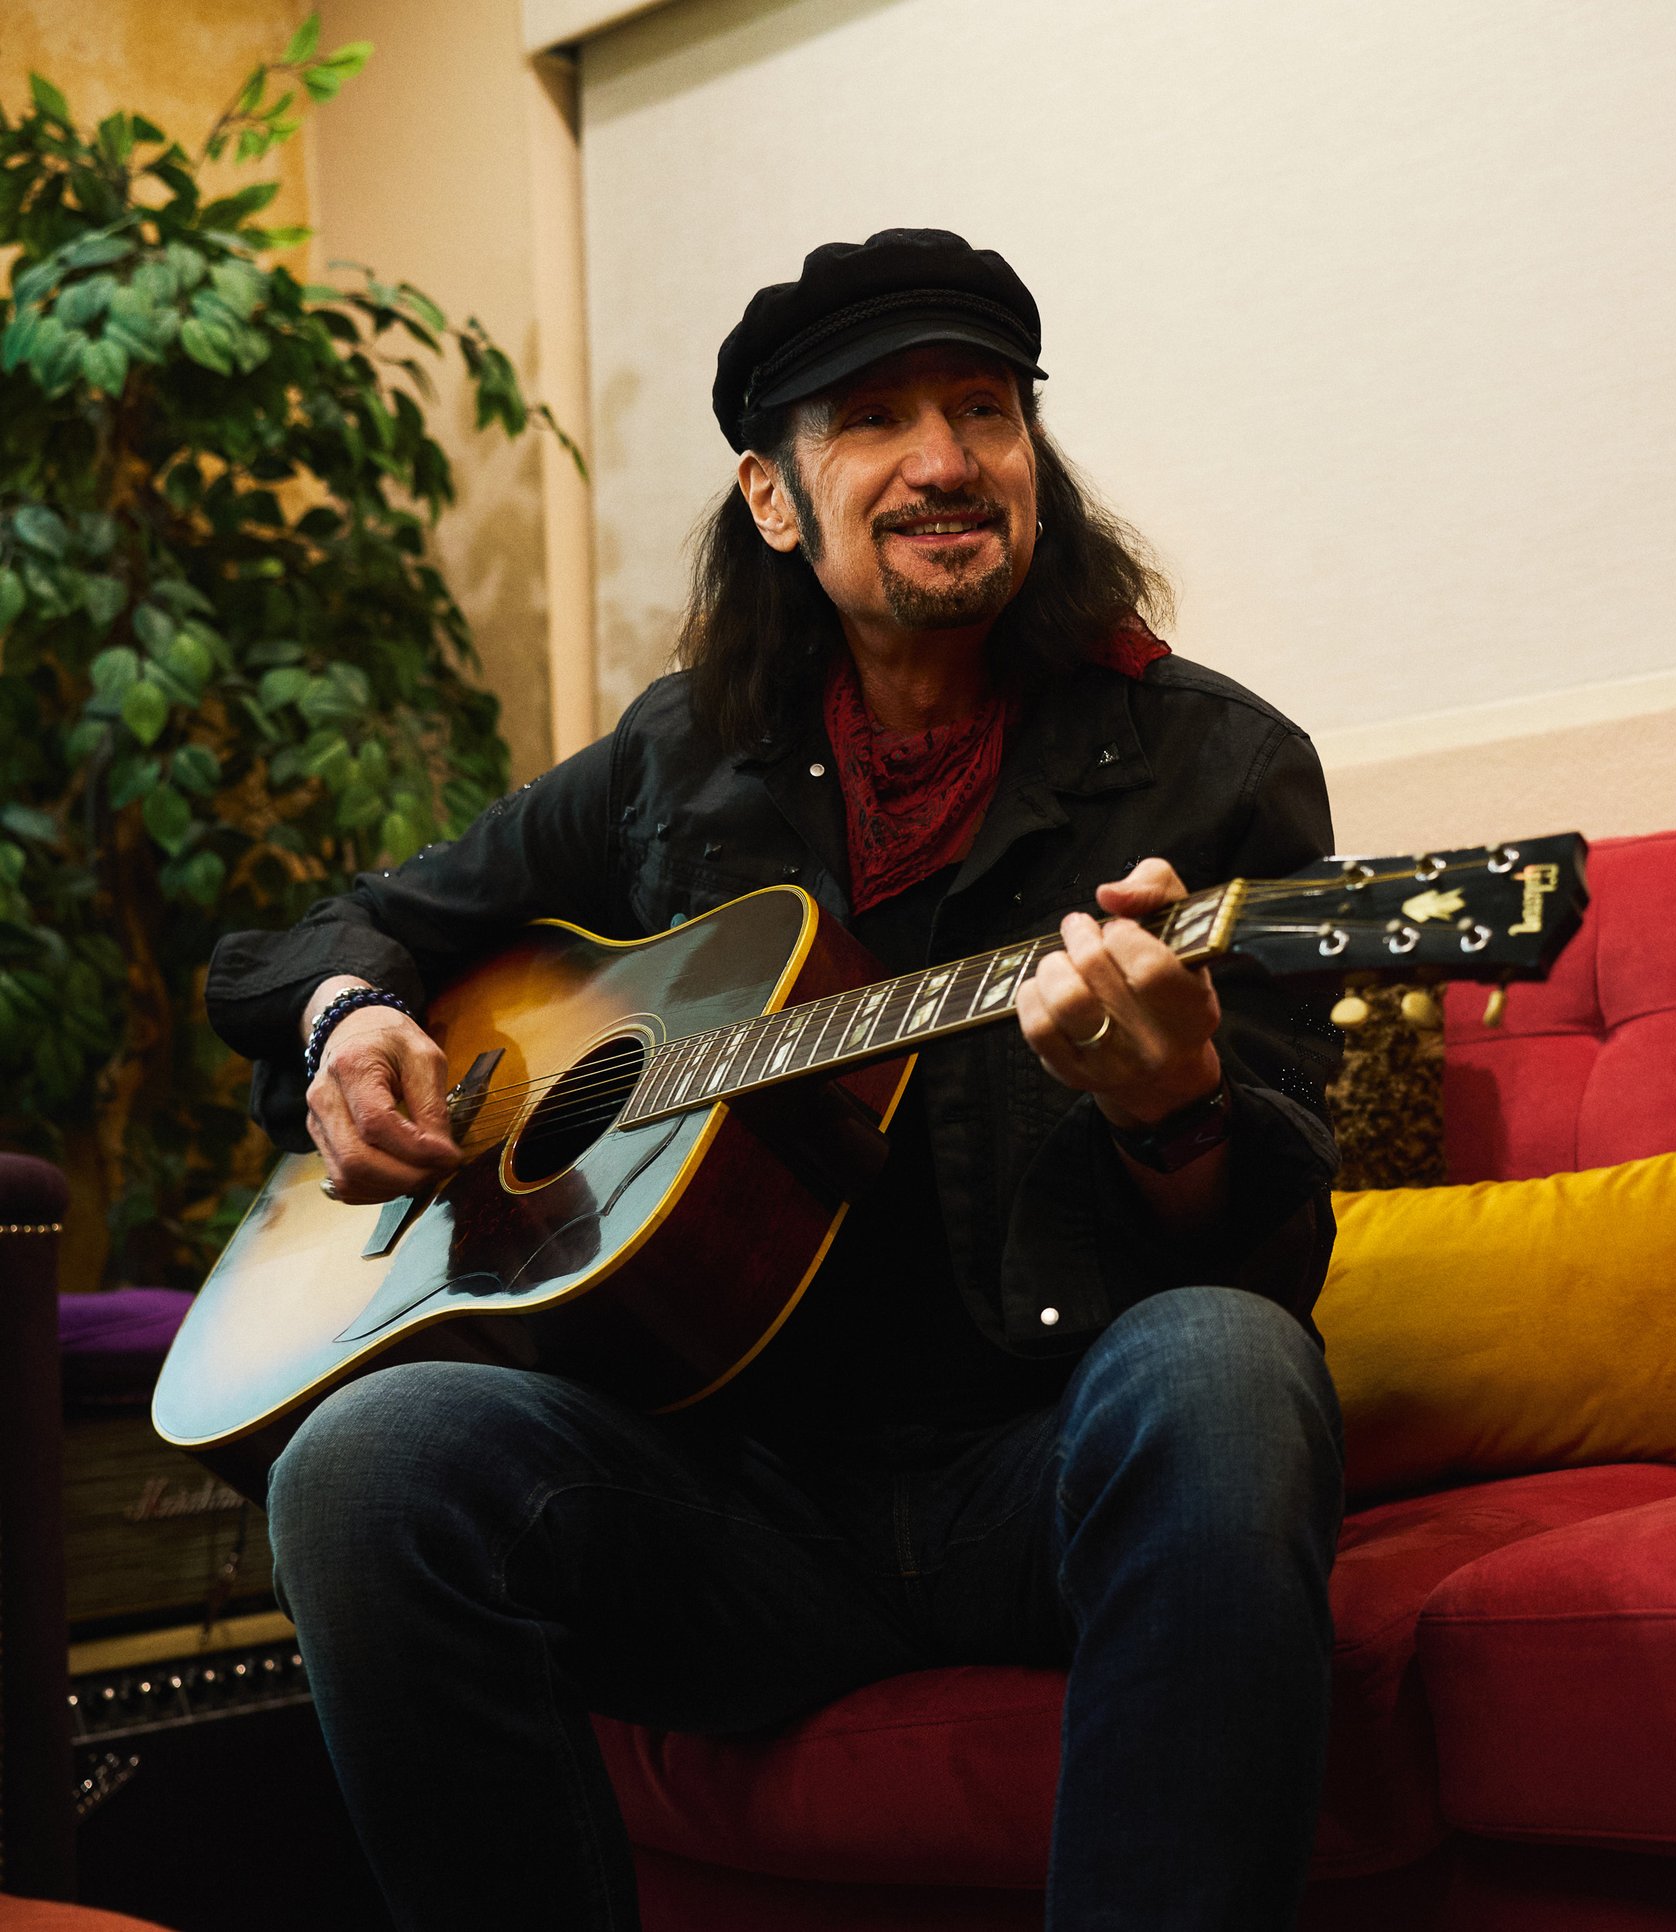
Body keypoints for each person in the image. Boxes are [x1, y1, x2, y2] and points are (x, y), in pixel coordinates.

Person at [204, 228, 1345, 1932]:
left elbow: (1261, 1242)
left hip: (1042, 1470)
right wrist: (350, 1023)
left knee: (1231, 1362)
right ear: (773, 496)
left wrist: (1168, 1106)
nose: (948, 461)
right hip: (726, 1512)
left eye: (985, 409)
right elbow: (320, 932)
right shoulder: (681, 757)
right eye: (878, 419)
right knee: (364, 1462)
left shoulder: (1214, 766)